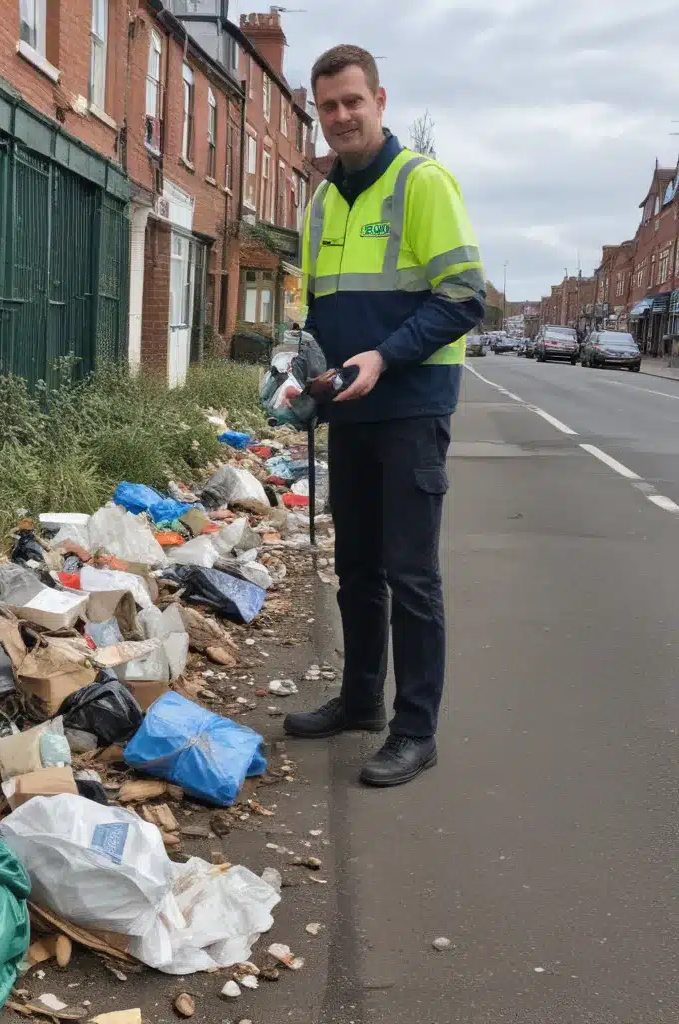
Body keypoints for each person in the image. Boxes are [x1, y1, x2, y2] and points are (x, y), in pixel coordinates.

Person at [283, 45, 486, 786]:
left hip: (410, 407)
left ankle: (415, 730)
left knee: (411, 575)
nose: (341, 117)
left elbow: (464, 296)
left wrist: (382, 358)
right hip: (349, 411)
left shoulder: (420, 182)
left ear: (380, 101)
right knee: (357, 568)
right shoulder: (323, 200)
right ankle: (362, 700)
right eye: (328, 106)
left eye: (352, 102)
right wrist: (301, 375)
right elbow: (318, 313)